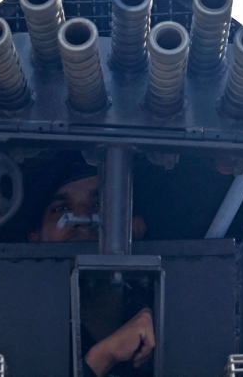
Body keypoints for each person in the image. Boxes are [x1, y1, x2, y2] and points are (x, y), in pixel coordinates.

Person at [26, 159, 153, 377]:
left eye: (99, 205)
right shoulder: (22, 326)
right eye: (62, 209)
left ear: (137, 228)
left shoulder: (167, 317)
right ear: (36, 237)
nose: (83, 220)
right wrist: (104, 356)